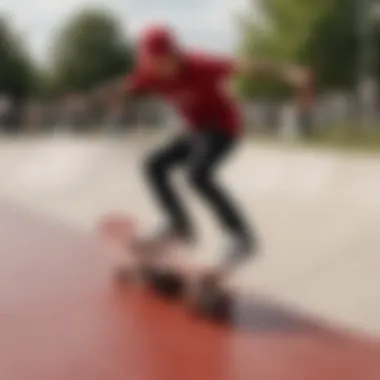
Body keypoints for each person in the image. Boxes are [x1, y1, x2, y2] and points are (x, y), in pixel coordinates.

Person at [96, 25, 310, 273]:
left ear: (173, 54)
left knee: (197, 174)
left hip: (223, 129)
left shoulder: (202, 65)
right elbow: (125, 86)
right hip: (194, 131)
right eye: (150, 62)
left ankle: (241, 238)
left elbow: (248, 66)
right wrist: (113, 101)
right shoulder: (148, 73)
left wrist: (290, 73)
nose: (155, 68)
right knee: (153, 164)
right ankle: (179, 226)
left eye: (159, 61)